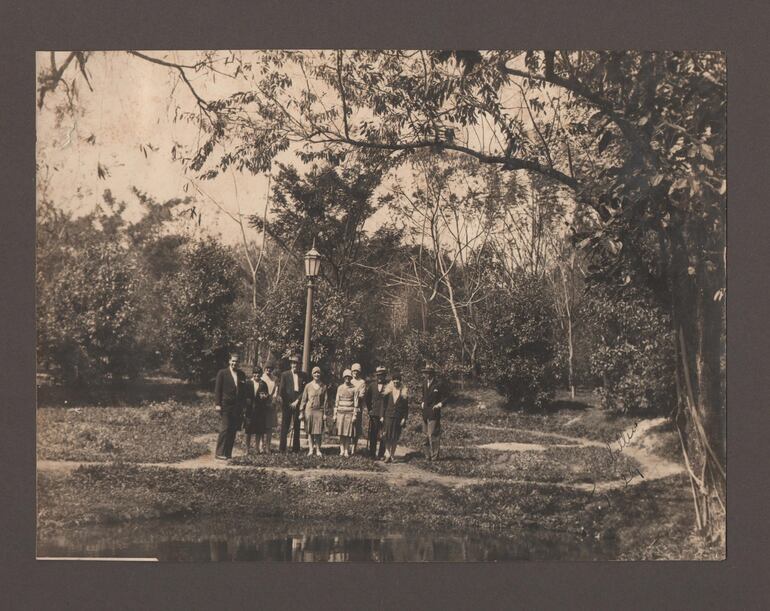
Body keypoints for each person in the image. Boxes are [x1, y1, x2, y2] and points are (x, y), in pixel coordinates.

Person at [214, 353, 247, 460]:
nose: (234, 363)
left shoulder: (241, 374)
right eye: (233, 361)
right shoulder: (222, 373)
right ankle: (219, 453)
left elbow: (243, 391)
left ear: (239, 362)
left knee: (233, 429)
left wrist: (243, 406)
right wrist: (218, 404)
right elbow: (218, 390)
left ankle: (228, 453)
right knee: (225, 428)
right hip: (226, 405)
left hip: (237, 407)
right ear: (229, 361)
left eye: (236, 361)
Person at [278, 355, 307, 452]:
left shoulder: (303, 375)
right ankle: (282, 448)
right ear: (291, 364)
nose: (295, 365)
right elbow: (281, 390)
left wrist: (297, 401)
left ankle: (295, 449)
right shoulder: (285, 374)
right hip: (287, 403)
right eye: (293, 363)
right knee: (285, 426)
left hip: (298, 402)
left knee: (297, 426)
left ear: (299, 365)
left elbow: (304, 391)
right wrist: (288, 402)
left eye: (297, 364)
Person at [379, 369, 409, 463]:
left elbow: (406, 408)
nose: (396, 383)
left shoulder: (403, 393)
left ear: (400, 381)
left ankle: (392, 455)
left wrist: (404, 418)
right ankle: (387, 454)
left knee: (395, 437)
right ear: (392, 381)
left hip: (398, 418)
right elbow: (383, 405)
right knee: (387, 436)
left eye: (397, 381)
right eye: (394, 381)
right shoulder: (388, 392)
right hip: (388, 416)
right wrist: (382, 416)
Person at [420, 363, 448, 461]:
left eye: (429, 373)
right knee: (424, 435)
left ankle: (435, 457)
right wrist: (422, 402)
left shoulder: (439, 384)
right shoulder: (424, 383)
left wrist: (440, 404)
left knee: (433, 434)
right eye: (425, 373)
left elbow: (446, 397)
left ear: (432, 374)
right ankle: (427, 456)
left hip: (434, 412)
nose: (427, 375)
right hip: (425, 412)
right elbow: (423, 395)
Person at [299, 366, 329, 456]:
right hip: (309, 411)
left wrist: (325, 413)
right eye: (315, 373)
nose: (317, 374)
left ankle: (318, 450)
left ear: (320, 374)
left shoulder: (323, 386)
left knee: (318, 432)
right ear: (312, 374)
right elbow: (304, 399)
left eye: (318, 373)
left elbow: (325, 401)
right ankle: (311, 449)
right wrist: (301, 411)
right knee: (310, 431)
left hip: (319, 411)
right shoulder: (308, 386)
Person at [363, 365, 388, 459]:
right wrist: (370, 410)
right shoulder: (372, 386)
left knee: (383, 434)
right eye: (378, 375)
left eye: (382, 375)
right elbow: (367, 399)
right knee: (373, 433)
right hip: (374, 413)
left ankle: (381, 454)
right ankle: (372, 453)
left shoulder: (389, 386)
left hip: (385, 414)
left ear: (385, 375)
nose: (380, 377)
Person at [244, 366, 270, 454]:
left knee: (258, 430)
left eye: (258, 373)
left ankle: (257, 448)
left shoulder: (263, 384)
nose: (256, 375)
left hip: (260, 410)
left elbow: (267, 395)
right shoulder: (248, 383)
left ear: (261, 374)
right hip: (249, 410)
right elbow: (244, 395)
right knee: (248, 431)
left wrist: (265, 397)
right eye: (255, 373)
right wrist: (246, 403)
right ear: (252, 374)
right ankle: (247, 449)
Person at [334, 369, 358, 457]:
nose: (347, 378)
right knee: (341, 433)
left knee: (348, 433)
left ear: (351, 377)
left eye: (349, 377)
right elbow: (336, 401)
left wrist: (355, 415)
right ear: (343, 377)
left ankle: (346, 450)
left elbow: (356, 403)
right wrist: (335, 414)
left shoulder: (354, 388)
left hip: (349, 413)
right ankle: (341, 450)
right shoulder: (340, 388)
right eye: (346, 377)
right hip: (340, 412)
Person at [261, 360, 279, 454]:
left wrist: (273, 401)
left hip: (271, 403)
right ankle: (261, 446)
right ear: (264, 368)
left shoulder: (275, 379)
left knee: (269, 427)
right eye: (267, 368)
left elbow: (276, 391)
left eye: (270, 368)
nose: (268, 370)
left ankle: (268, 446)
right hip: (262, 403)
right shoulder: (261, 378)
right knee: (261, 425)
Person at [350, 363, 367, 454]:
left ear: (359, 372)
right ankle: (346, 447)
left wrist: (353, 397)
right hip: (348, 407)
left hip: (358, 407)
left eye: (357, 371)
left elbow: (361, 395)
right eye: (354, 371)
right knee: (348, 427)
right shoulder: (349, 380)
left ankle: (354, 448)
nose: (355, 373)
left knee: (356, 428)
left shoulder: (362, 382)